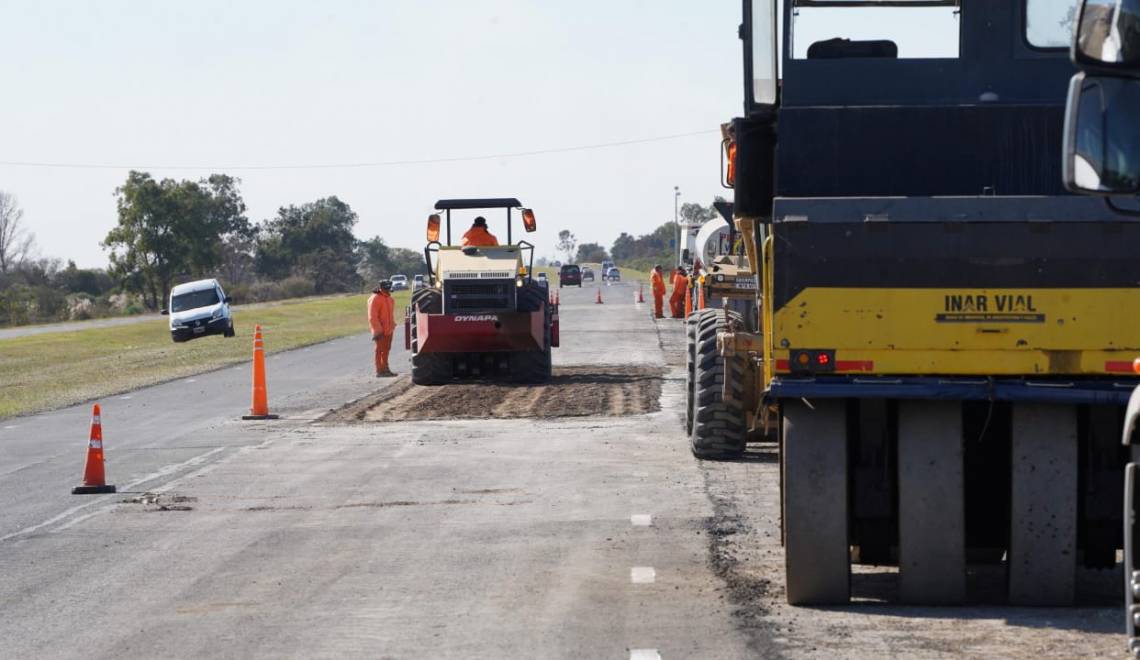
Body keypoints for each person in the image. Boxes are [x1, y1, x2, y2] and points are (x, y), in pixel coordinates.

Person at [368, 280, 397, 377]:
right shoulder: (375, 298)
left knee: (387, 349)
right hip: (380, 330)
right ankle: (379, 371)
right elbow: (372, 316)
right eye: (387, 288)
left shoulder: (390, 299)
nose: (388, 290)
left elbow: (390, 315)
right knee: (379, 350)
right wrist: (377, 330)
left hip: (389, 329)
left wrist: (392, 325)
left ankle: (385, 369)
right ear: (382, 288)